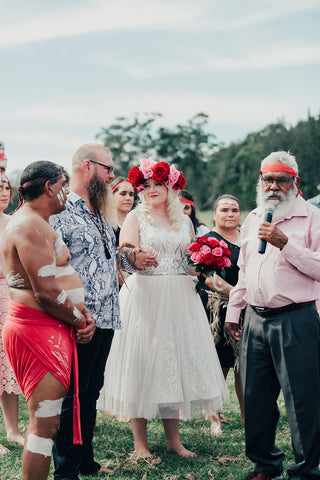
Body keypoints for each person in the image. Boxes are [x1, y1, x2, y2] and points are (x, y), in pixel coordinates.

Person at [103, 158, 228, 458]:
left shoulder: (184, 222)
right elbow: (122, 259)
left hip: (179, 299)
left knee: (173, 362)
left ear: (171, 186)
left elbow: (189, 264)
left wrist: (203, 265)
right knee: (143, 363)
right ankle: (140, 444)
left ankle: (174, 441)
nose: (151, 190)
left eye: (158, 184)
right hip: (146, 295)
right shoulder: (135, 218)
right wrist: (138, 260)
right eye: (145, 186)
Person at [50, 144, 157, 479]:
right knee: (72, 397)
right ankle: (65, 470)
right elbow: (51, 269)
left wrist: (132, 260)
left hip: (108, 316)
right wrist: (73, 314)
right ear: (88, 166)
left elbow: (109, 260)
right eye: (108, 169)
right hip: (80, 320)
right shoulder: (60, 211)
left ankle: (85, 460)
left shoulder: (101, 211)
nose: (112, 175)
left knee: (91, 392)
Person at [225, 151, 320, 480]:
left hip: (296, 319)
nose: (274, 186)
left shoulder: (312, 217)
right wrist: (234, 309)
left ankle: (307, 469)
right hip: (255, 320)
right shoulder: (253, 217)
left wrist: (285, 244)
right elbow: (244, 270)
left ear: (296, 182)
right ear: (260, 181)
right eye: (269, 179)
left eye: (282, 179)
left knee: (302, 400)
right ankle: (265, 464)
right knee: (255, 397)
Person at [1, 161, 96, 480]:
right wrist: (79, 320)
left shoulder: (38, 223)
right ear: (48, 187)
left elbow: (56, 280)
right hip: (36, 329)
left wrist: (81, 312)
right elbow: (45, 290)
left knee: (49, 421)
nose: (66, 192)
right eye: (63, 185)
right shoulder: (28, 225)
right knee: (44, 423)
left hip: (48, 326)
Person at [200, 194, 244, 436]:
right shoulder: (207, 241)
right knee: (219, 365)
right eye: (225, 209)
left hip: (246, 309)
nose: (230, 214)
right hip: (216, 308)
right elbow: (208, 277)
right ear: (215, 213)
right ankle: (215, 418)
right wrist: (238, 293)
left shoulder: (247, 239)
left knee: (244, 366)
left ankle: (248, 417)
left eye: (235, 210)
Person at [0, 176, 24, 449]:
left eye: (7, 187)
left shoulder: (14, 223)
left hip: (11, 295)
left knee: (8, 363)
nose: (4, 192)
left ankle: (12, 429)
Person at [110, 176, 135, 245]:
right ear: (111, 196)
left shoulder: (139, 222)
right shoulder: (106, 224)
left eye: (131, 194)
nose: (128, 198)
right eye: (123, 194)